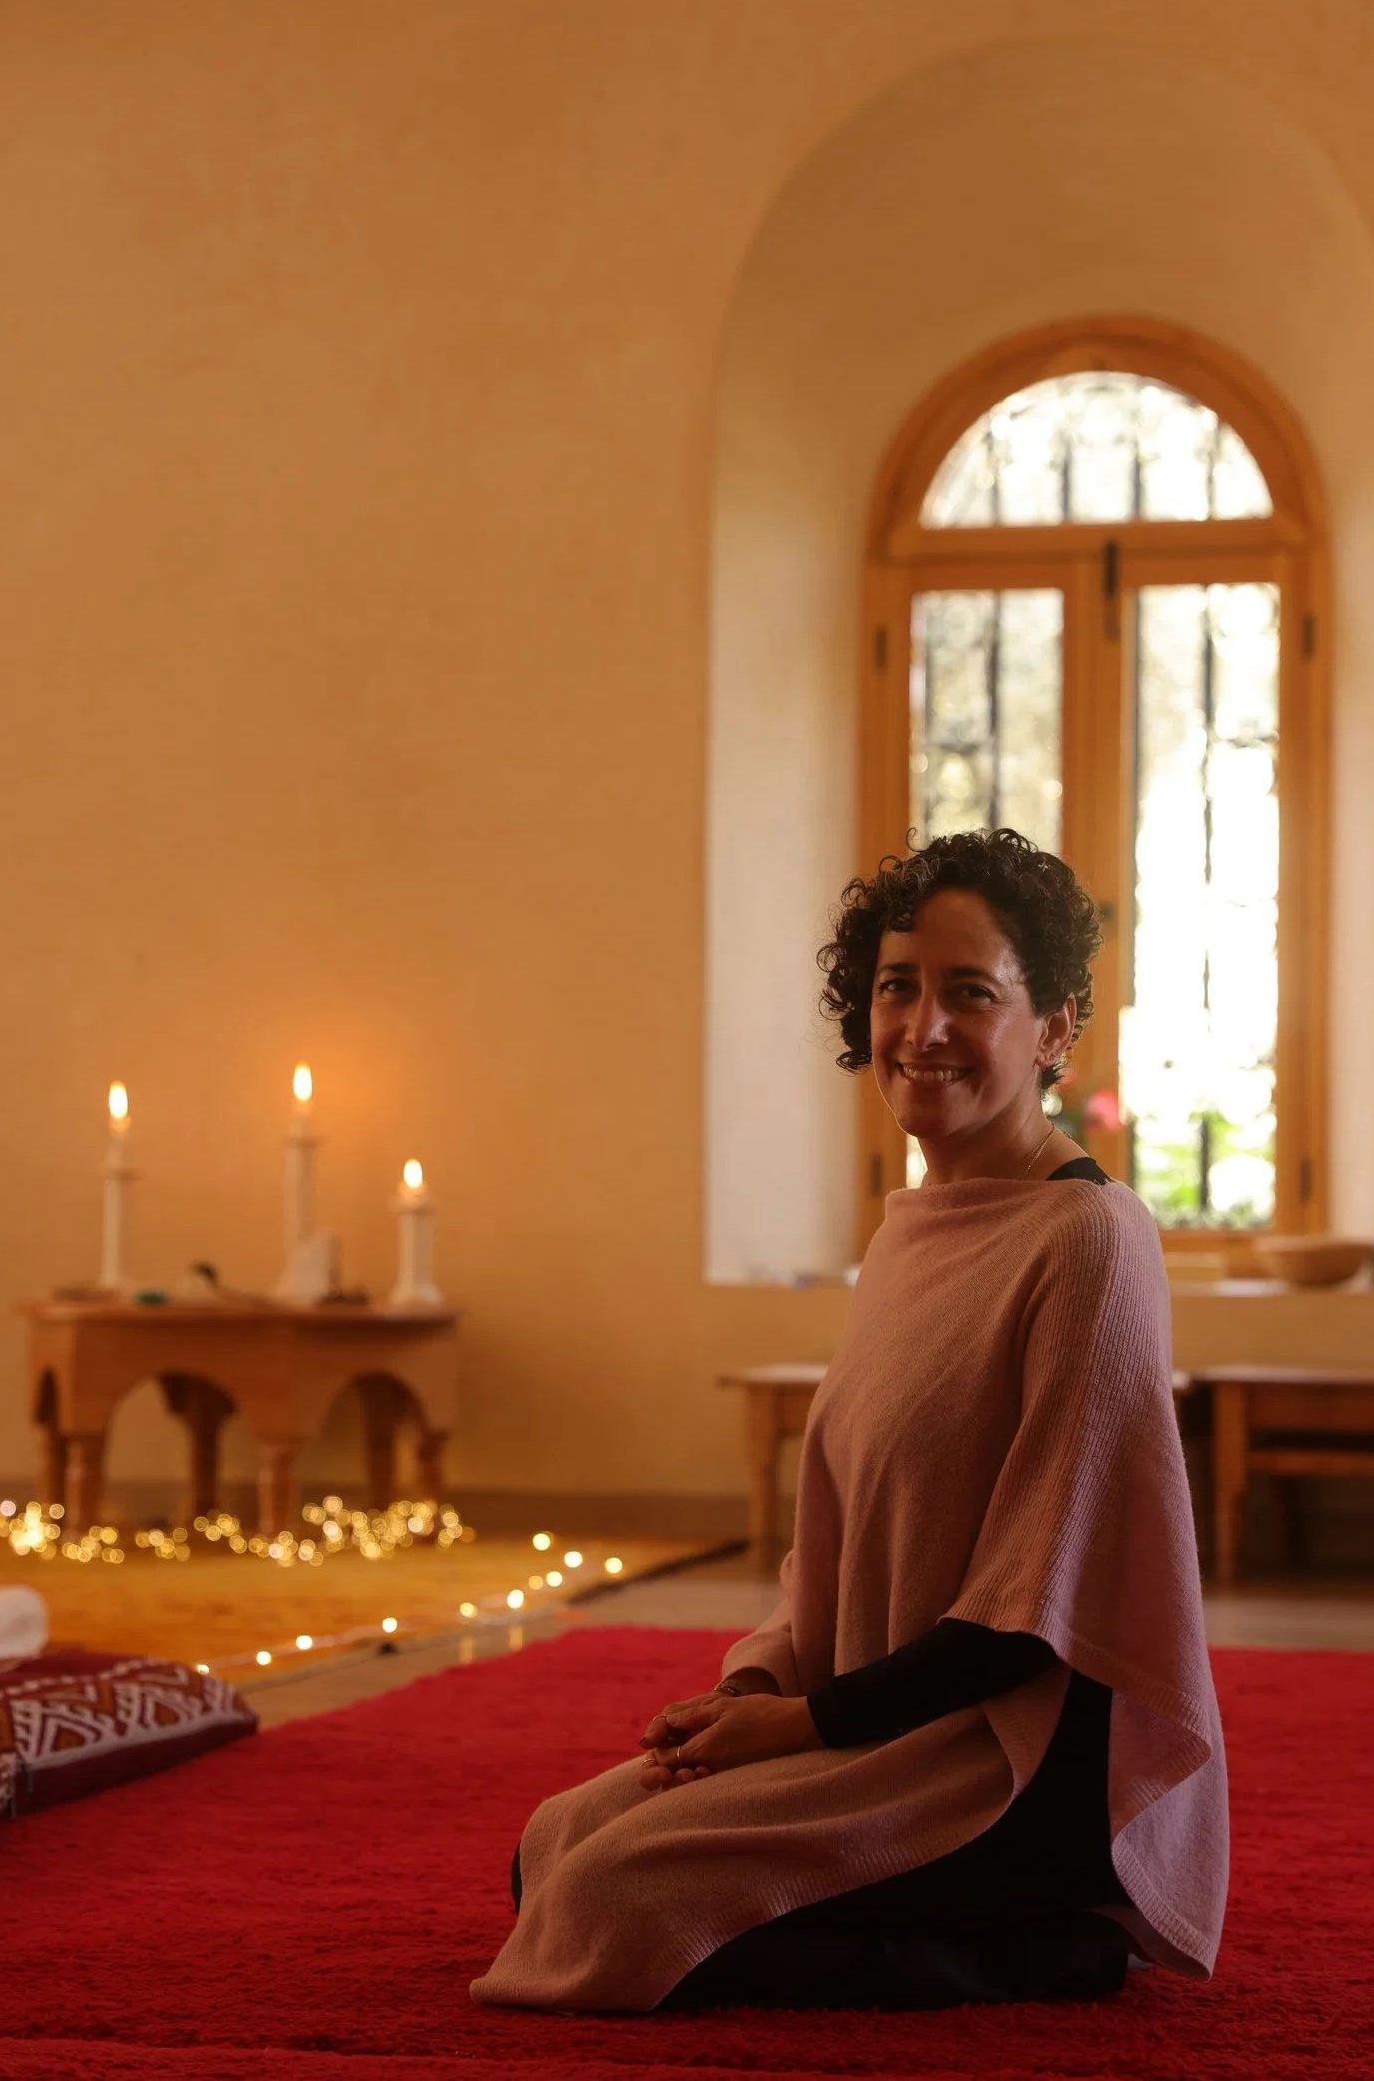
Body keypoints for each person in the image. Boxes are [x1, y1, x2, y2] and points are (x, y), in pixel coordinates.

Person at [473, 828, 1228, 2013]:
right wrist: (759, 1684)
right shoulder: (910, 1231)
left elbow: (1029, 1625)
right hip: (877, 1719)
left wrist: (798, 1731)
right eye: (895, 988)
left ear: (1053, 1025)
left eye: (968, 992)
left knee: (616, 1896)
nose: (921, 1028)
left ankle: (1048, 1945)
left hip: (1007, 1765)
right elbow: (842, 1543)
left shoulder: (1087, 1239)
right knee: (552, 1846)